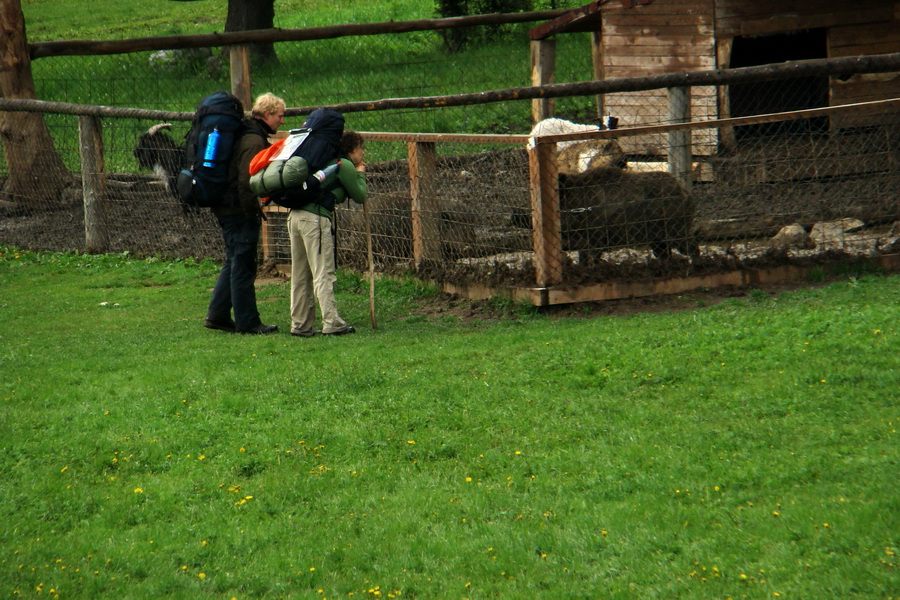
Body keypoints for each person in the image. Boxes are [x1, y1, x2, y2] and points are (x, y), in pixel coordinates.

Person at [205, 92, 285, 334]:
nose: (282, 121)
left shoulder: (246, 133)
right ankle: (248, 322)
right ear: (268, 114)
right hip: (237, 209)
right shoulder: (253, 140)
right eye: (280, 116)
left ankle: (218, 315)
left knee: (233, 261)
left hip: (224, 205)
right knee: (243, 266)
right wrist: (253, 213)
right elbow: (246, 181)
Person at [288, 130, 367, 337]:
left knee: (300, 273)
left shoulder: (323, 160)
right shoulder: (345, 165)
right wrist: (360, 173)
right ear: (353, 150)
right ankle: (332, 322)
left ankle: (300, 324)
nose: (363, 154)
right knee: (323, 271)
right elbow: (360, 195)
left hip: (295, 217)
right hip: (315, 219)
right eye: (361, 150)